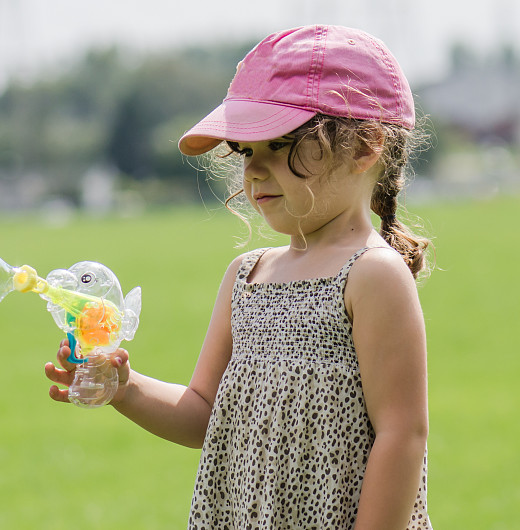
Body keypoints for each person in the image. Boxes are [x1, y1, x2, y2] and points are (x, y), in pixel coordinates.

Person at [45, 24, 432, 529]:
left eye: (281, 145)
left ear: (364, 147)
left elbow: (402, 436)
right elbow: (204, 412)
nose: (254, 170)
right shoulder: (246, 276)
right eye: (247, 150)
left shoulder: (371, 275)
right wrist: (125, 388)